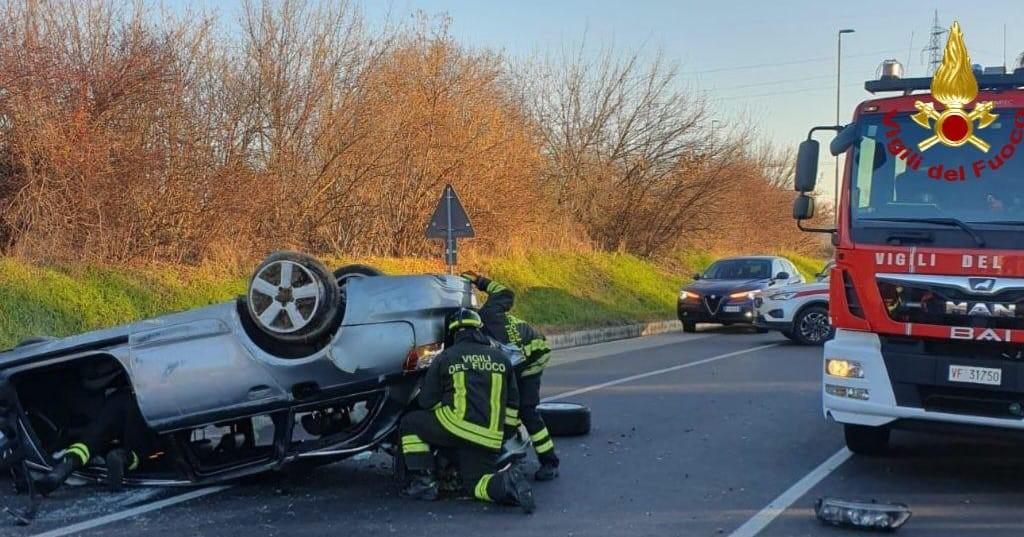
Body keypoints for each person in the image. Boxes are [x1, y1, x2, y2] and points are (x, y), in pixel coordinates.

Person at [398, 308, 535, 513]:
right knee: (476, 484)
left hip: (456, 427)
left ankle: (424, 484)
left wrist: (444, 408)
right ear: (480, 331)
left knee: (410, 422)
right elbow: (513, 404)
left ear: (454, 333)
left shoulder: (446, 357)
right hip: (489, 437)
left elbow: (426, 401)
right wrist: (501, 435)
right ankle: (507, 484)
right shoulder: (501, 359)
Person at [462, 272, 560, 481]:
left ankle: (549, 462)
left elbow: (505, 292)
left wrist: (480, 281)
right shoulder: (483, 330)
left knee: (525, 409)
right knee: (505, 405)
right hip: (516, 357)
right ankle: (509, 442)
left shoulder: (489, 316)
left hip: (533, 355)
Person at [35, 362, 153, 495]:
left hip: (116, 402)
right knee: (143, 448)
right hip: (144, 403)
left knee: (92, 439)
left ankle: (63, 470)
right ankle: (123, 457)